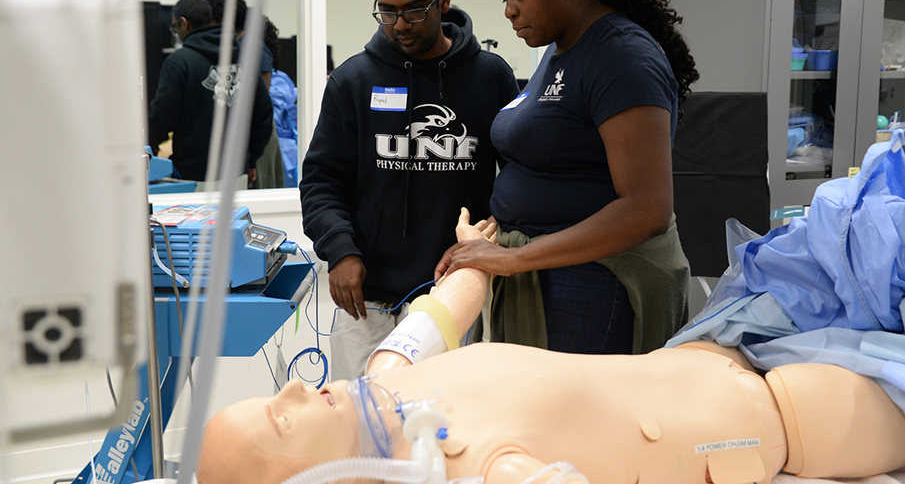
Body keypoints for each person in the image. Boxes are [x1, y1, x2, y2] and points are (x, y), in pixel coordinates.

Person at [196, 200, 905, 484]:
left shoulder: (388, 378)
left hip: (714, 341)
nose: (292, 387)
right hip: (784, 414)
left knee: (862, 225)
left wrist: (474, 251)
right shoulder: (470, 464)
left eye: (273, 393)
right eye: (281, 416)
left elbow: (446, 309)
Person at [434, 0, 700, 356]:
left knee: (573, 426)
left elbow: (647, 209)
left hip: (597, 284)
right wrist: (506, 226)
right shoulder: (561, 51)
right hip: (547, 273)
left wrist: (513, 258)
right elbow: (559, 160)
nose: (509, 10)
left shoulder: (622, 56)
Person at [299, 0, 520, 381]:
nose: (399, 24)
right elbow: (321, 181)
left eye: (415, 10)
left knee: (440, 423)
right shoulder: (353, 80)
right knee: (360, 423)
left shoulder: (490, 77)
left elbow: (517, 177)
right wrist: (340, 251)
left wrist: (492, 236)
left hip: (453, 292)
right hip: (367, 298)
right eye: (387, 11)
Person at [148, 0, 274, 187]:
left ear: (184, 23)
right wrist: (250, 159)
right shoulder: (244, 57)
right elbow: (263, 115)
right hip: (236, 174)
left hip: (192, 176)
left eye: (174, 26)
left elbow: (162, 117)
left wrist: (151, 145)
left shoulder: (180, 62)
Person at [202, 0, 286, 189]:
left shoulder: (250, 46)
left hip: (259, 135)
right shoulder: (231, 47)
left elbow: (260, 99)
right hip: (246, 136)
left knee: (259, 193)